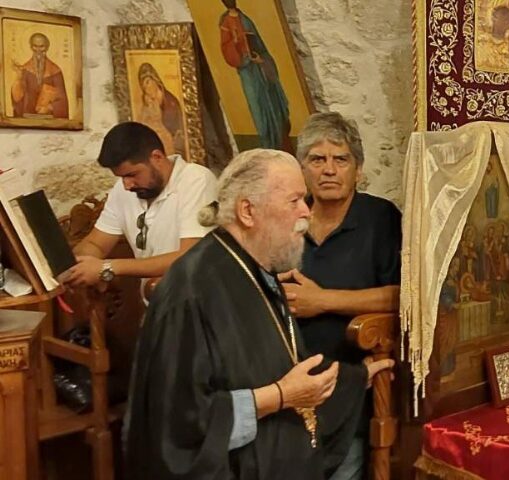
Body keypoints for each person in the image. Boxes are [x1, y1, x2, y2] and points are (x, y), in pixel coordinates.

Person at [125, 149, 394, 479]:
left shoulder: (254, 270)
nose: (306, 212)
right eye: (294, 201)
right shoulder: (191, 291)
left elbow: (279, 361)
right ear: (247, 211)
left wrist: (354, 378)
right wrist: (280, 396)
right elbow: (179, 425)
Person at [280, 113, 401, 475]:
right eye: (317, 159)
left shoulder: (380, 218)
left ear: (358, 170)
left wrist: (323, 301)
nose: (329, 170)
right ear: (303, 169)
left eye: (341, 159)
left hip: (353, 384)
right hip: (286, 388)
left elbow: (404, 297)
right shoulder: (287, 219)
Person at [59, 122, 216, 292]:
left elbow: (190, 257)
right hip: (157, 300)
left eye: (132, 174)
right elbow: (96, 244)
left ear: (157, 157)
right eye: (121, 177)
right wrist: (76, 267)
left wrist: (107, 268)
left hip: (197, 301)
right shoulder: (122, 190)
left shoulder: (196, 179)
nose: (127, 185)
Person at [219, 0, 291, 150]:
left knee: (272, 104)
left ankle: (279, 143)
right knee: (258, 108)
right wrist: (238, 47)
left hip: (260, 68)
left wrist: (261, 60)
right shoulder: (225, 23)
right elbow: (226, 49)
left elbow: (260, 45)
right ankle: (267, 144)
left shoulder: (246, 19)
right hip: (247, 72)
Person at [10, 32, 68, 119]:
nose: (38, 50)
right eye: (35, 46)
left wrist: (49, 107)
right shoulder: (25, 70)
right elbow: (18, 100)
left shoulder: (55, 71)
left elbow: (62, 100)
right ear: (31, 47)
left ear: (47, 47)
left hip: (49, 119)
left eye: (41, 46)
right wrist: (18, 78)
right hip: (27, 118)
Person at [135, 62, 186, 158]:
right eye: (143, 86)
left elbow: (175, 128)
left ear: (155, 80)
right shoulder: (148, 102)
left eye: (147, 82)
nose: (145, 88)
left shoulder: (171, 101)